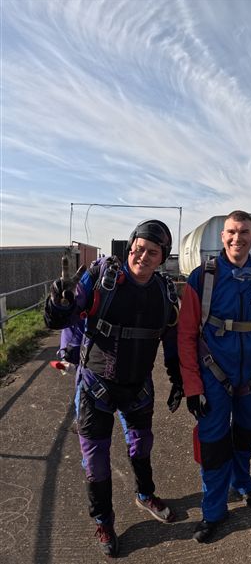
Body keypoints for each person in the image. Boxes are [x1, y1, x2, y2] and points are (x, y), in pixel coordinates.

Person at [44, 220, 183, 558]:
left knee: (142, 446)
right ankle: (103, 521)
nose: (142, 256)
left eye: (152, 252)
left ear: (162, 257)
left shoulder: (164, 292)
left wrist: (177, 379)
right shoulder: (102, 277)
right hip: (96, 389)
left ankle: (145, 494)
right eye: (139, 248)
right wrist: (59, 304)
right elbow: (63, 318)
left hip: (138, 389)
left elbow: (172, 341)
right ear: (130, 246)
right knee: (96, 462)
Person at [178, 210, 251, 543]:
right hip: (213, 375)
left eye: (243, 232)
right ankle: (213, 511)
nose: (237, 238)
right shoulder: (202, 278)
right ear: (222, 237)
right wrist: (192, 386)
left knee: (247, 432)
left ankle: (243, 482)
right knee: (213, 444)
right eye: (231, 232)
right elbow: (186, 335)